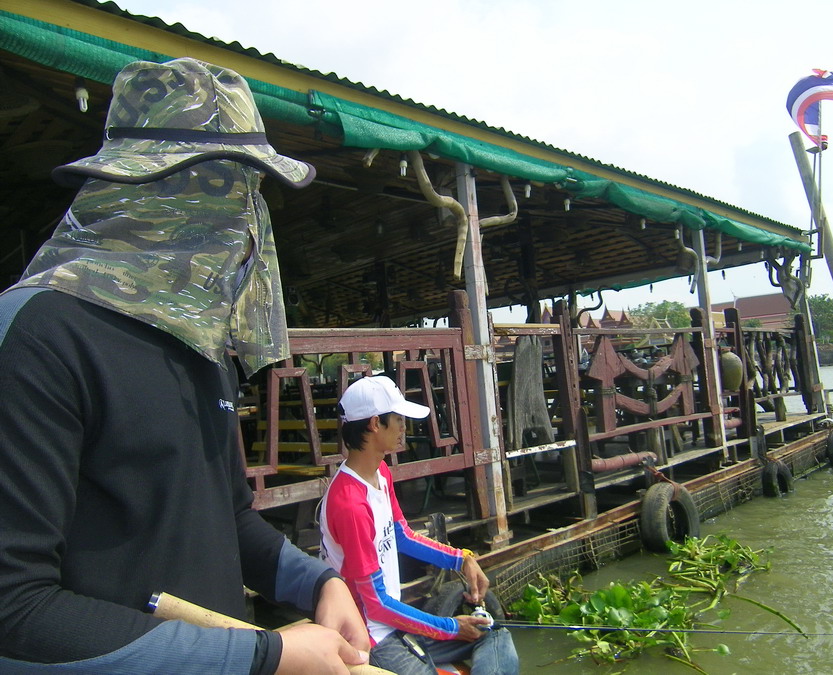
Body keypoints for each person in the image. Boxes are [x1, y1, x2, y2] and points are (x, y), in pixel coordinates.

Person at [0, 57, 370, 674]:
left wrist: (318, 584)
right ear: (139, 188)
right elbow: (14, 611)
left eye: (249, 189)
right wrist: (266, 655)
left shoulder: (197, 345)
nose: (246, 216)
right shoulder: (37, 334)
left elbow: (229, 518)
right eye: (219, 185)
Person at [319, 375, 519, 674]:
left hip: (394, 623)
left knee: (493, 633)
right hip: (372, 637)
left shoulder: (381, 472)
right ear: (375, 424)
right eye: (398, 419)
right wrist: (450, 627)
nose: (404, 427)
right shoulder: (349, 503)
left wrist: (463, 559)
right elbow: (375, 605)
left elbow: (402, 535)